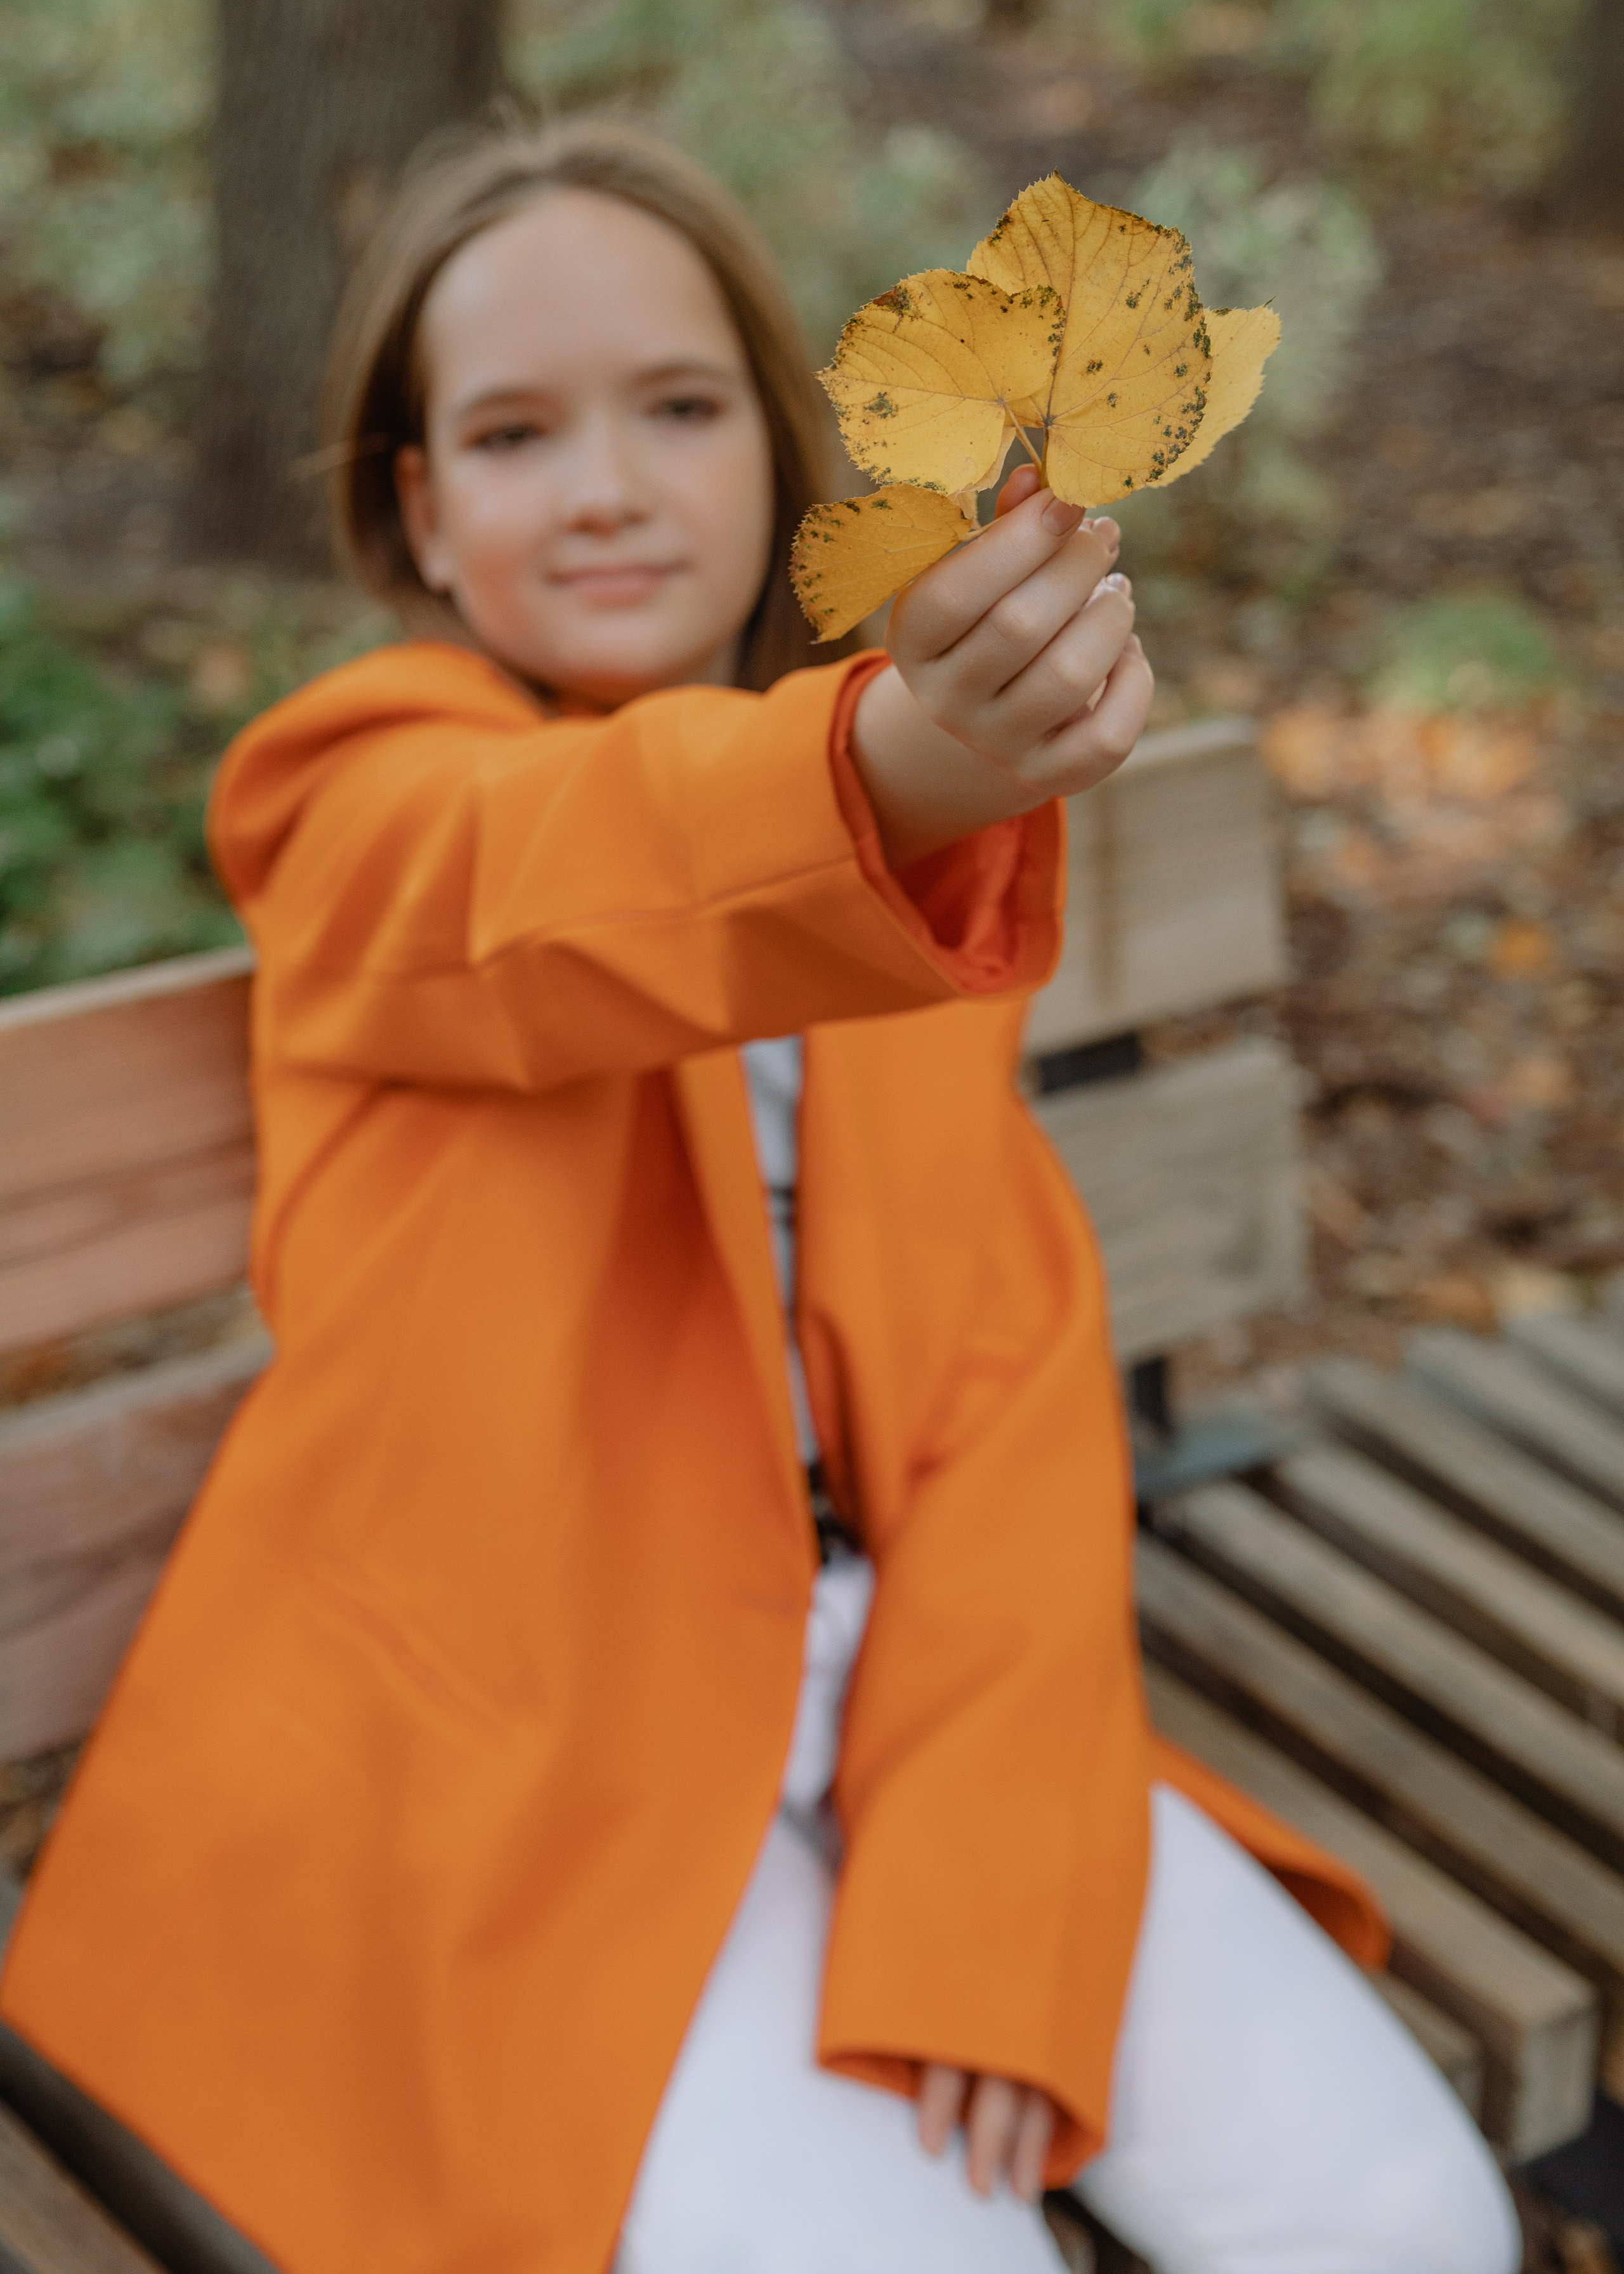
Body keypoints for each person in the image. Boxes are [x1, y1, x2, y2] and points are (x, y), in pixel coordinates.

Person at [0, 123, 1519, 2274]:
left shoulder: (895, 900)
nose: (605, 483)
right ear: (422, 510)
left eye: (679, 406)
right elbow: (553, 882)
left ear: (781, 451)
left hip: (910, 1663)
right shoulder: (359, 793)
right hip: (531, 1735)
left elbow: (1004, 1377)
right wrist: (901, 775)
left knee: (1395, 2221)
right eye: (516, 433)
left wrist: (991, 1870)